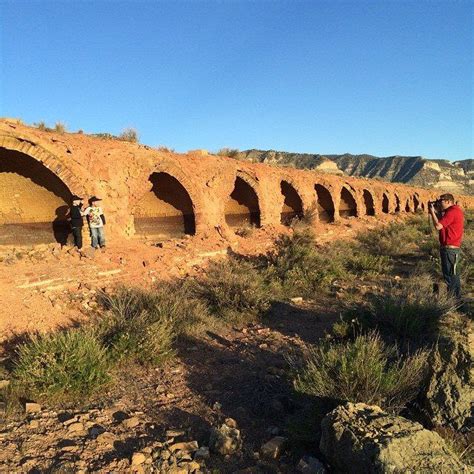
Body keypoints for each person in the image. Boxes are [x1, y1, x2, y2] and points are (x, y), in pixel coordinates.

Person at [429, 193, 464, 299]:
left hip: (450, 249)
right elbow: (443, 223)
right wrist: (437, 212)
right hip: (449, 249)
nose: (439, 203)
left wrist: (432, 213)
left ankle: (454, 301)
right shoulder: (452, 211)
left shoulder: (453, 212)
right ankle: (454, 299)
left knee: (451, 276)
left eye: (441, 201)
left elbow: (438, 226)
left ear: (448, 201)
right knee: (451, 275)